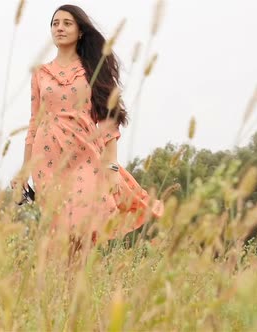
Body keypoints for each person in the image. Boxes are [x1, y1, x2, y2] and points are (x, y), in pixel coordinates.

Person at [11, 4, 163, 243]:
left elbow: (108, 121)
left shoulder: (91, 69)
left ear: (80, 31)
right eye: (55, 23)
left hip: (85, 154)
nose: (59, 28)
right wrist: (24, 171)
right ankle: (66, 279)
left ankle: (78, 278)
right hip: (48, 159)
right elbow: (34, 122)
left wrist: (112, 167)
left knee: (84, 222)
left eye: (67, 23)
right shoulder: (40, 73)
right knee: (61, 230)